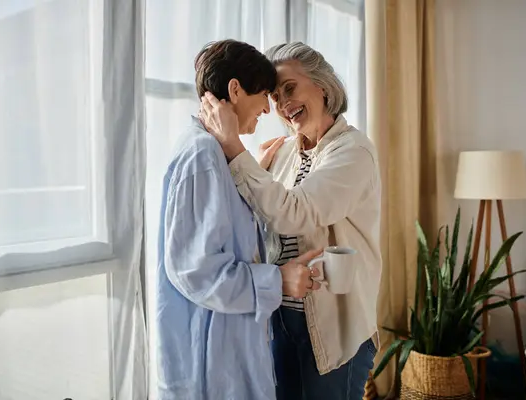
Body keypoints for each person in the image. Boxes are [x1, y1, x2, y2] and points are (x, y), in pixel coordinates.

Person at [199, 42, 382, 400]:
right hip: (281, 319)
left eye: (290, 88)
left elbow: (295, 213)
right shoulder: (283, 151)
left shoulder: (354, 152)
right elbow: (262, 216)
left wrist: (235, 147)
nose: (282, 104)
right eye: (275, 94)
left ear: (323, 85)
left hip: (333, 330)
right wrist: (254, 163)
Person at [156, 39, 322, 400]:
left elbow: (229, 237)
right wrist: (277, 281)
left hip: (228, 348)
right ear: (235, 89)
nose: (267, 108)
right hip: (213, 361)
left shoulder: (214, 151)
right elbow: (195, 270)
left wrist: (249, 178)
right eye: (264, 94)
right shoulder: (202, 154)